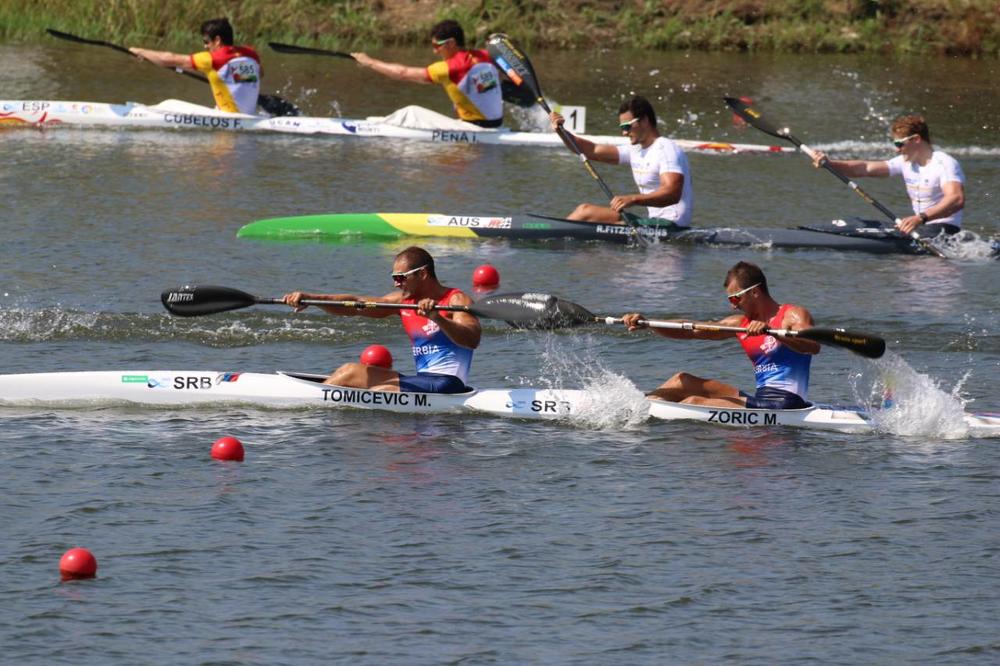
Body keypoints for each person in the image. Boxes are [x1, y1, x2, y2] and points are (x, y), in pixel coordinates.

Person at [621, 261, 819, 409]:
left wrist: (774, 334)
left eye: (735, 299)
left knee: (693, 402)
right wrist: (648, 323)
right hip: (761, 400)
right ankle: (638, 408)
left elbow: (813, 345)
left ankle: (649, 413)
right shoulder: (741, 324)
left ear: (755, 292)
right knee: (681, 381)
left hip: (786, 403)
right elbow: (692, 329)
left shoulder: (792, 315)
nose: (733, 306)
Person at [282, 247, 481, 393]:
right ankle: (313, 400)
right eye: (394, 278)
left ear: (422, 274)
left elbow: (472, 339)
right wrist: (311, 299)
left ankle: (308, 407)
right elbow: (355, 305)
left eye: (401, 277)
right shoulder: (403, 302)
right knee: (348, 371)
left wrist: (436, 317)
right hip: (424, 382)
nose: (396, 284)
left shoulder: (456, 300)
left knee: (370, 384)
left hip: (448, 384)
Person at [549, 95, 693, 228]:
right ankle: (554, 231)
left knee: (593, 216)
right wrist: (561, 131)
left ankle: (550, 233)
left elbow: (672, 194)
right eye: (622, 128)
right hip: (653, 223)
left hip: (671, 225)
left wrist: (633, 199)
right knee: (585, 212)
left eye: (627, 126)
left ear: (644, 120)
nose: (624, 133)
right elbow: (592, 150)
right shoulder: (635, 150)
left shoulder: (666, 149)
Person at [811, 115, 965, 236]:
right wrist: (830, 164)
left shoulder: (944, 164)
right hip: (919, 228)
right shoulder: (905, 162)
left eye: (899, 144)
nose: (897, 149)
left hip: (944, 231)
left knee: (863, 229)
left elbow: (956, 199)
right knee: (860, 224)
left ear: (916, 139)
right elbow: (865, 168)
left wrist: (920, 218)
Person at [351, 20, 503, 127]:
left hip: (475, 127)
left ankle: (374, 127)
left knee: (411, 112)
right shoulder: (487, 55)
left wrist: (370, 62)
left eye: (437, 45)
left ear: (451, 43)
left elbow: (402, 73)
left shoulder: (448, 68)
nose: (435, 51)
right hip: (496, 124)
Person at [129, 17, 261, 115]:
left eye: (206, 41)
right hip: (248, 115)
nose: (205, 46)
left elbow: (169, 59)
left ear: (217, 40)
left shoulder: (211, 59)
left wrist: (140, 52)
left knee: (170, 105)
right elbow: (259, 74)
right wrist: (225, 80)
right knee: (171, 104)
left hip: (230, 117)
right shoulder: (251, 54)